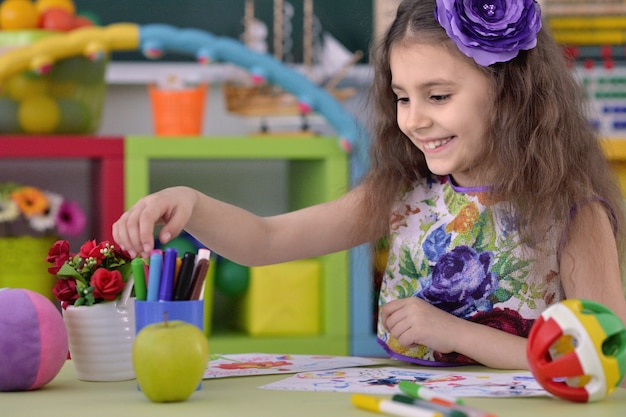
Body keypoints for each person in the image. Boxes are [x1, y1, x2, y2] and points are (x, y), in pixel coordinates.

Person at [113, 0, 626, 370]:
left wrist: (449, 332)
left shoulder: (573, 211)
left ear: (512, 95)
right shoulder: (405, 191)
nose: (415, 120)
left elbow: (602, 359)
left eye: (439, 96)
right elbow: (265, 241)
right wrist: (193, 203)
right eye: (403, 97)